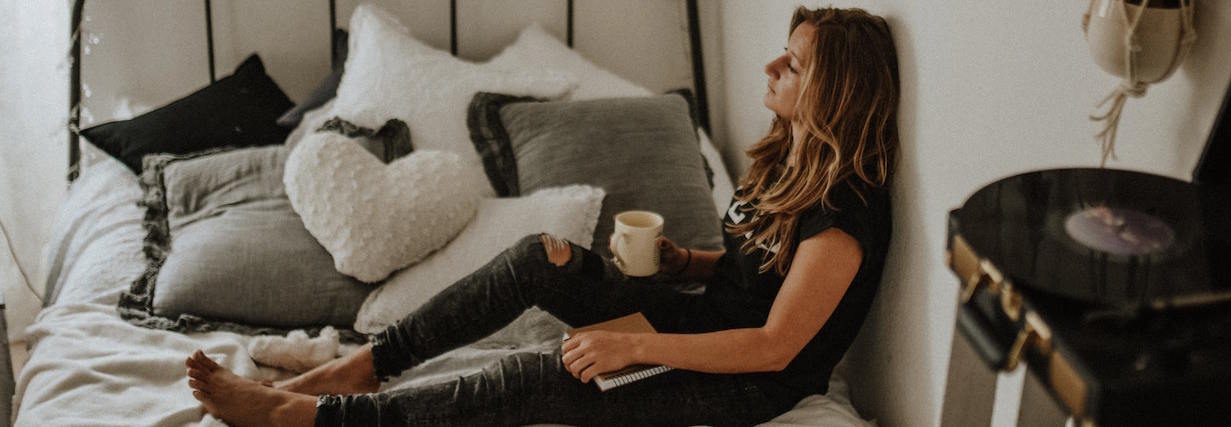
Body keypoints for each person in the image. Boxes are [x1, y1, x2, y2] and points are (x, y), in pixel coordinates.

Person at [185, 6, 899, 426]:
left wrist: (635, 347)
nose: (773, 66)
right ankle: (359, 368)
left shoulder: (845, 212)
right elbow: (761, 273)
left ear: (832, 92)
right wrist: (690, 263)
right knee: (539, 256)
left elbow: (776, 344)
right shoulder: (785, 158)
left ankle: (308, 418)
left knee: (548, 371)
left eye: (795, 65)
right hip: (706, 321)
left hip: (749, 382)